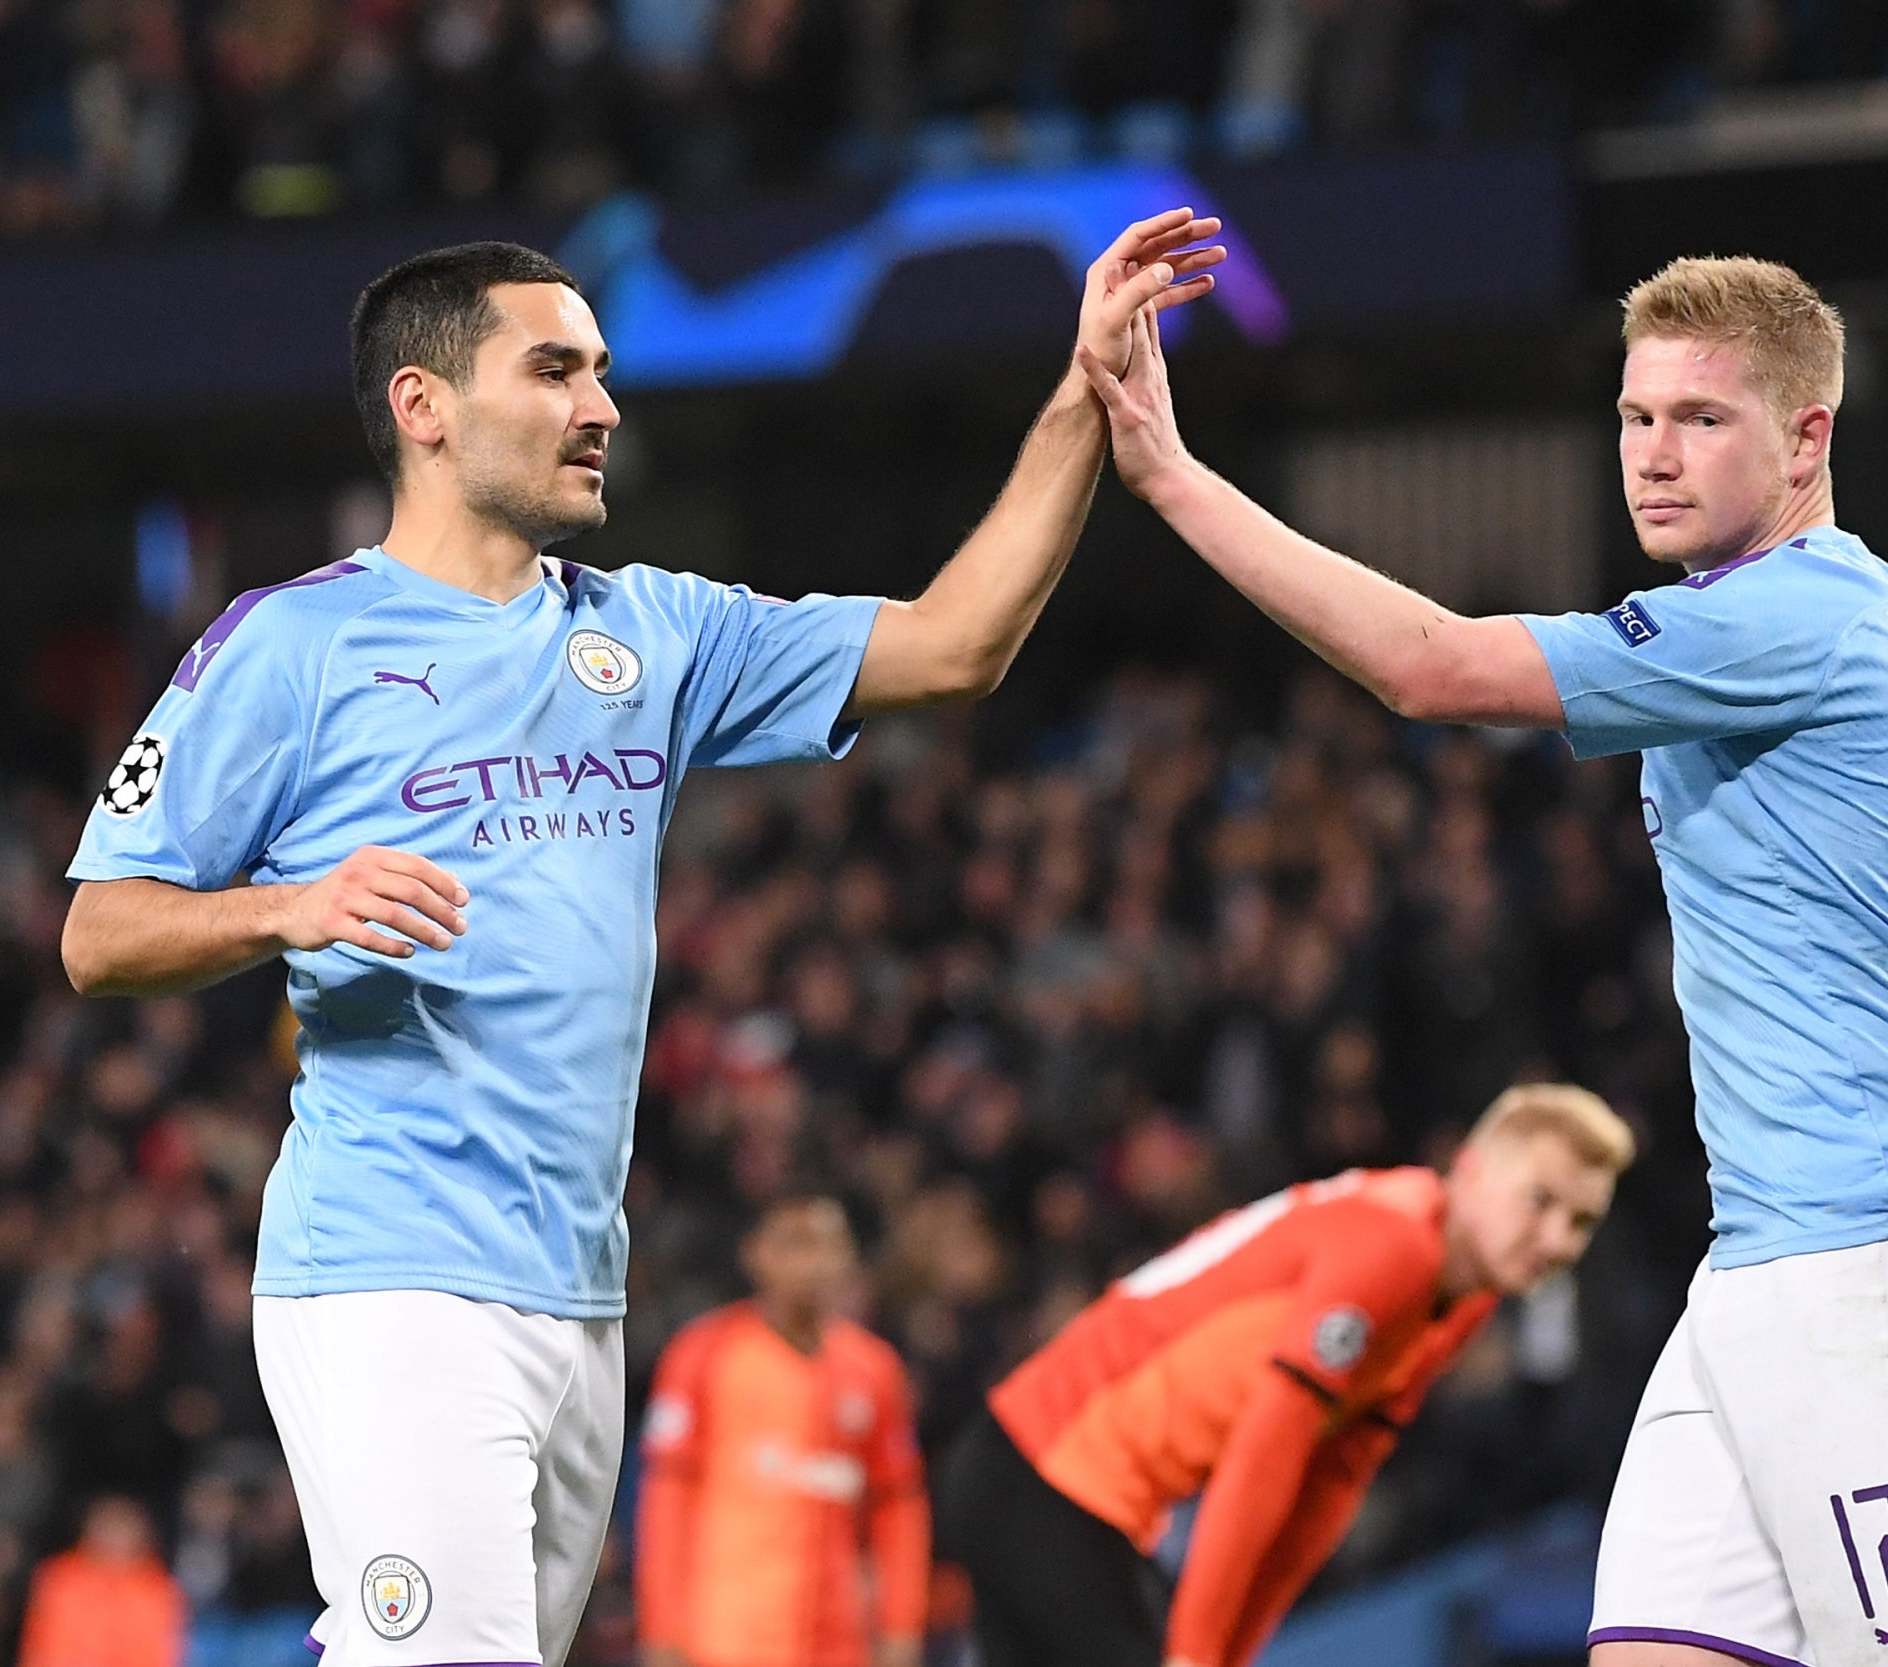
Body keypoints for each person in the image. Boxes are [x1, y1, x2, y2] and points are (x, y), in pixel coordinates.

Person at [56, 209, 1224, 1667]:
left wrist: (1076, 394)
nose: (601, 406)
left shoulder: (653, 635)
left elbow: (955, 641)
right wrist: (284, 904)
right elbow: (99, 931)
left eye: (601, 371)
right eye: (553, 371)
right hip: (392, 1277)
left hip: (580, 1293)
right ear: (423, 408)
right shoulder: (286, 647)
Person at [1077, 259, 1888, 1666]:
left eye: (1699, 418)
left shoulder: (1773, 618)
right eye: (1633, 418)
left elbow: (1431, 667)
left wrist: (1170, 479)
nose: (1651, 455)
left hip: (1868, 1260)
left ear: (1807, 438)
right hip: (1773, 1255)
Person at [940, 1083, 1633, 1667]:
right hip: (1044, 1479)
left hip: (1056, 1489)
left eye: (1582, 1220)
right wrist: (1196, 1654)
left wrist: (1223, 1654)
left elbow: (1328, 1485)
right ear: (1472, 1167)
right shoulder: (1395, 1247)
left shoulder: (1460, 1295)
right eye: (1539, 1200)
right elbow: (1265, 1452)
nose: (1557, 1240)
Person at [635, 1189, 927, 1667]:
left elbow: (899, 1511)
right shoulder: (702, 1356)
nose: (815, 1264)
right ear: (756, 1254)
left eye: (830, 1244)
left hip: (838, 1646)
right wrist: (662, 1635)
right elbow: (666, 1504)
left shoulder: (875, 1370)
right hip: (724, 1643)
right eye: (796, 1244)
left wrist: (900, 1633)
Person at [18, 1496, 187, 1667]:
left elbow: (156, 1656)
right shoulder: (59, 1578)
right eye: (107, 1526)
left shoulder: (159, 1589)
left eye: (123, 1526)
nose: (114, 1535)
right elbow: (47, 1649)